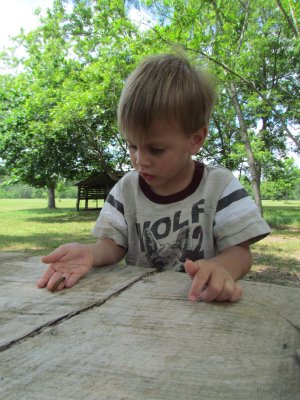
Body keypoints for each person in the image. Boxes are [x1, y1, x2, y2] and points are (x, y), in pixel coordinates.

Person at [37, 53, 270, 302]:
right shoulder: (126, 189)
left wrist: (222, 268)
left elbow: (240, 252)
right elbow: (113, 245)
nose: (140, 160)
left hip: (199, 306)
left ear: (195, 140)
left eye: (155, 149)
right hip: (139, 306)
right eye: (132, 145)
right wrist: (90, 253)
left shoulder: (219, 186)